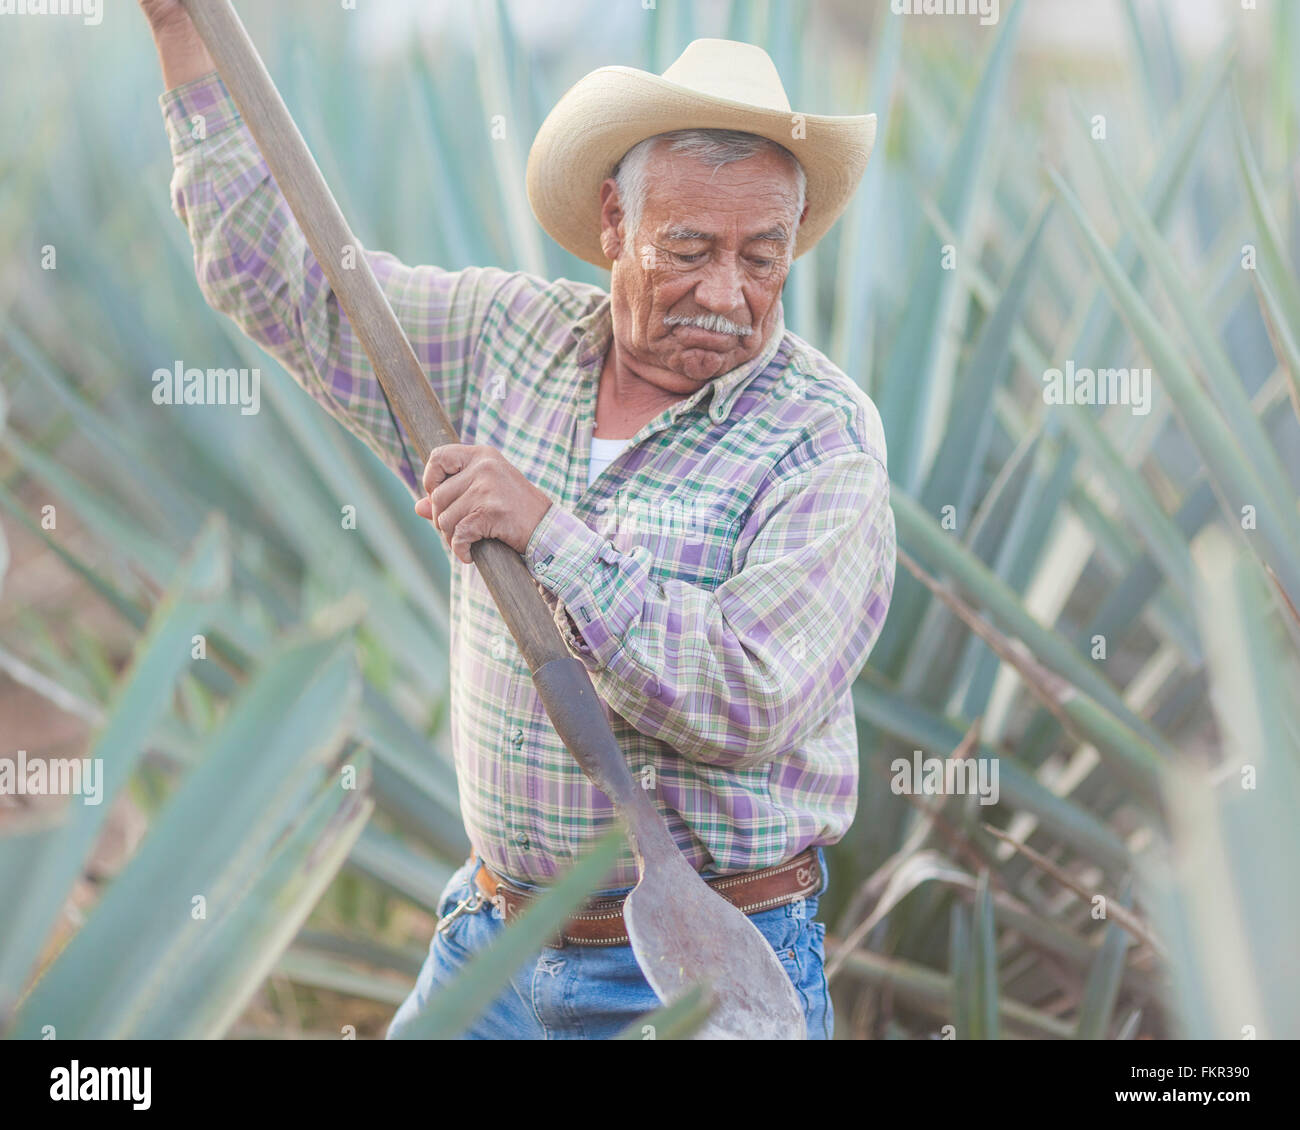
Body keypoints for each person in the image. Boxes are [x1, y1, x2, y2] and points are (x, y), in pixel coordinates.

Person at [140, 0, 896, 1040]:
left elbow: (745, 694)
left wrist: (550, 535)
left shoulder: (821, 438)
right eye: (688, 249)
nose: (727, 292)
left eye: (762, 257)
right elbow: (289, 288)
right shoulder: (508, 339)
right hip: (491, 944)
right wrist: (184, 35)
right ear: (612, 224)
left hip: (706, 961)